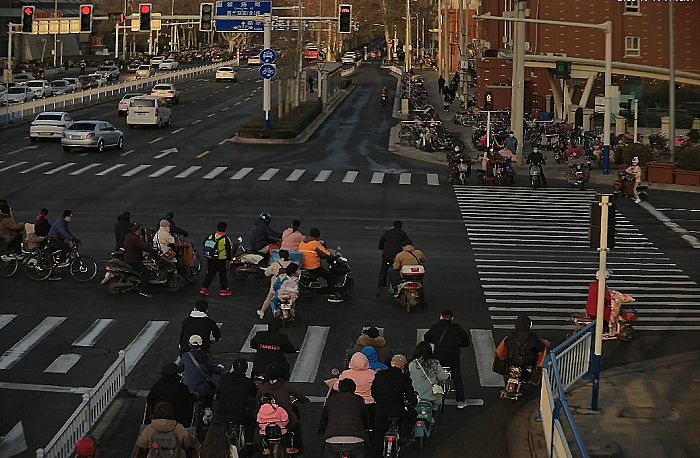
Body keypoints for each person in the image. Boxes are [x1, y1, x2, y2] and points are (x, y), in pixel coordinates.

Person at [257, 363, 309, 454]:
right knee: (295, 427)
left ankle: (264, 450)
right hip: (284, 421)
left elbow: (257, 401)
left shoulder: (263, 387)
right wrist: (304, 400)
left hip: (266, 423)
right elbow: (298, 395)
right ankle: (297, 449)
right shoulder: (286, 385)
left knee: (262, 434)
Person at [424, 309, 470, 409]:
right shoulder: (456, 327)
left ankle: (431, 397)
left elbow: (426, 337)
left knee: (433, 376)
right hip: (453, 357)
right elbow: (466, 340)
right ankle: (461, 401)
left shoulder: (435, 327)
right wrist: (458, 344)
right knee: (457, 378)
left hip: (438, 357)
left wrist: (436, 342)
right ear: (451, 318)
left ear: (440, 317)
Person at [371, 355, 417, 449]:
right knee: (412, 415)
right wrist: (413, 402)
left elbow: (373, 392)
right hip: (398, 409)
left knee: (378, 434)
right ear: (403, 365)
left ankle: (377, 450)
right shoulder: (404, 377)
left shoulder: (379, 375)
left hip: (381, 409)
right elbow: (411, 397)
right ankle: (404, 436)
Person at [318, 378, 371, 458]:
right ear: (354, 388)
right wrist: (367, 428)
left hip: (332, 440)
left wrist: (320, 431)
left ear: (339, 388)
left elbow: (323, 420)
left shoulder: (330, 400)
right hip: (356, 440)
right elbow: (365, 418)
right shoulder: (359, 400)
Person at [494, 315, 546, 383]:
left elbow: (499, 354)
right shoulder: (534, 339)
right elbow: (541, 350)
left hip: (510, 367)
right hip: (527, 369)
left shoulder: (509, 338)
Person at [215, 358, 257, 443]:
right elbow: (254, 393)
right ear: (246, 369)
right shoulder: (247, 382)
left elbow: (218, 395)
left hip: (221, 413)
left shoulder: (224, 378)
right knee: (251, 422)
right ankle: (249, 442)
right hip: (239, 414)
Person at [177, 335, 224, 406]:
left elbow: (180, 369)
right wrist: (221, 368)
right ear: (201, 344)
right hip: (203, 389)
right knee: (211, 392)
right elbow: (213, 369)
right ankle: (207, 408)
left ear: (190, 344)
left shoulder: (185, 356)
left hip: (189, 388)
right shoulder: (206, 356)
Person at [299, 227, 342, 303]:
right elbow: (325, 254)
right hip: (313, 267)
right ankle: (332, 295)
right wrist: (334, 257)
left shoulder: (303, 242)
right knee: (330, 277)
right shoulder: (315, 243)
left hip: (303, 265)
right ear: (317, 235)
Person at [146, 363, 196, 427]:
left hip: (158, 420)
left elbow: (150, 400)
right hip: (179, 422)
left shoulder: (157, 386)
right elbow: (190, 402)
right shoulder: (182, 388)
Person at [336, 352, 376, 423]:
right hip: (369, 404)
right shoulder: (372, 374)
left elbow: (337, 387)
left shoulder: (346, 374)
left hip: (351, 404)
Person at [408, 341, 449, 411]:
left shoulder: (411, 364)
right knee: (435, 408)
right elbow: (443, 377)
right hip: (432, 397)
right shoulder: (434, 363)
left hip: (417, 396)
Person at [200, 221, 233, 297]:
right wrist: (229, 259)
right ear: (225, 229)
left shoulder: (211, 236)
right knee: (222, 275)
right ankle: (223, 290)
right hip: (221, 259)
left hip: (211, 258)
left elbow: (204, 243)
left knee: (210, 274)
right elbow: (228, 250)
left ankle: (204, 289)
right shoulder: (225, 239)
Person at [123, 224, 157, 297]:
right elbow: (143, 246)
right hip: (134, 260)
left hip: (128, 258)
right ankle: (143, 290)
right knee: (146, 273)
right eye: (140, 230)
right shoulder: (135, 238)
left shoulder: (128, 236)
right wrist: (153, 251)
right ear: (137, 230)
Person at [259, 250, 293, 319]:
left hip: (276, 286)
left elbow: (267, 273)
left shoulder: (275, 264)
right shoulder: (292, 265)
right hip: (288, 287)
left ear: (279, 256)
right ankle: (288, 313)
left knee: (269, 298)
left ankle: (262, 312)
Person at [377, 220, 409, 293]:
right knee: (396, 269)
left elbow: (381, 241)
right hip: (396, 255)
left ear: (393, 226)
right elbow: (408, 243)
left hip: (386, 254)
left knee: (384, 270)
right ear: (401, 226)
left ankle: (381, 285)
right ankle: (396, 285)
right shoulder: (403, 233)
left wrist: (381, 248)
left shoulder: (387, 232)